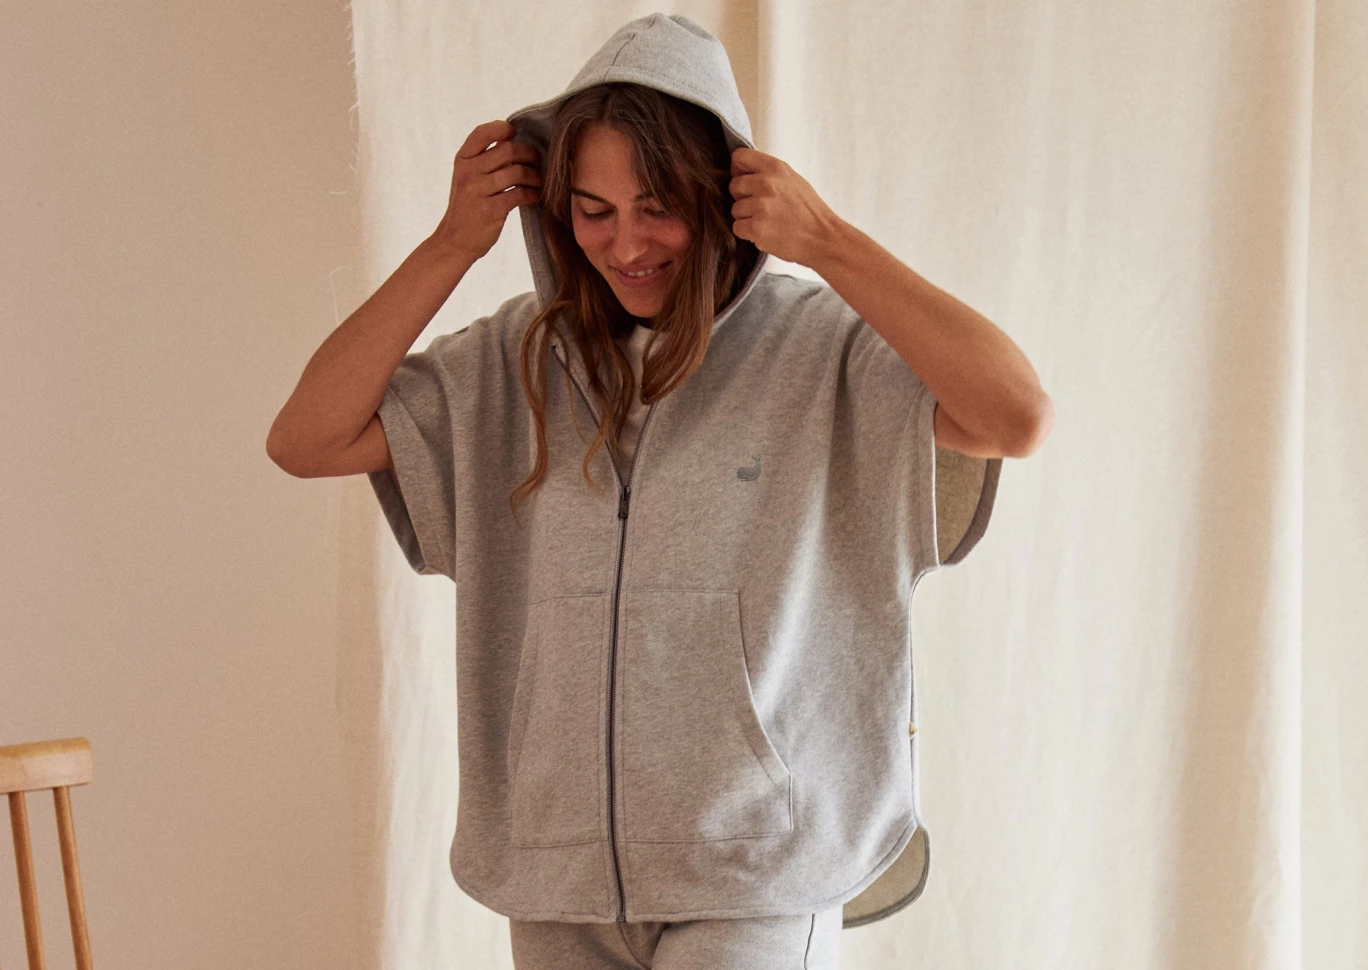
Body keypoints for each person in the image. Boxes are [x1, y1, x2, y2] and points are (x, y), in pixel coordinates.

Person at [267, 12, 1052, 970]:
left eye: (658, 206)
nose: (627, 243)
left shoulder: (822, 352)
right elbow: (306, 438)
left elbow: (1015, 415)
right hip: (559, 874)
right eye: (593, 210)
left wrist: (828, 241)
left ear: (723, 197)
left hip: (755, 871)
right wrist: (449, 246)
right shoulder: (513, 363)